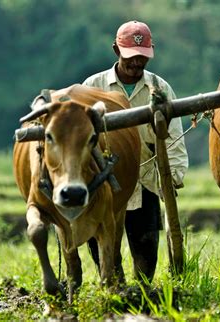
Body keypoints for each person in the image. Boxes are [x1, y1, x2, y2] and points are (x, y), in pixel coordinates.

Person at [83, 20, 188, 282]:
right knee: (103, 249)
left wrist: (172, 177)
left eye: (143, 57)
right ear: (116, 50)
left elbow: (174, 136)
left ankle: (142, 296)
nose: (136, 63)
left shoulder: (160, 88)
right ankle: (114, 291)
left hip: (145, 178)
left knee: (146, 249)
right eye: (130, 56)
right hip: (104, 182)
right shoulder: (93, 86)